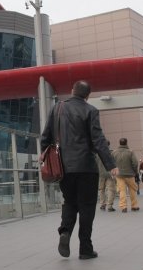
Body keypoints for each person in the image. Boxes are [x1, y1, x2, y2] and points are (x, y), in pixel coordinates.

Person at [41, 80, 117, 260]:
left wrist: (43, 153)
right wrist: (111, 164)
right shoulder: (91, 111)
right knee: (87, 206)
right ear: (87, 96)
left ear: (72, 90)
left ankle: (65, 231)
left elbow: (46, 135)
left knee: (70, 202)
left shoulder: (57, 108)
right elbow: (98, 140)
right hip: (86, 167)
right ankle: (85, 249)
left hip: (64, 167)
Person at [113, 138, 140, 213]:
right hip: (130, 174)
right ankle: (134, 206)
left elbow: (111, 163)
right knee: (132, 190)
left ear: (119, 143)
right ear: (126, 143)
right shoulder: (130, 152)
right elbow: (135, 163)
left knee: (122, 190)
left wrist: (114, 172)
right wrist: (135, 172)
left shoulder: (114, 152)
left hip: (119, 175)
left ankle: (123, 207)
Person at [97, 141, 116, 212]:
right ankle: (110, 206)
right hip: (110, 174)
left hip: (100, 174)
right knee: (111, 189)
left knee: (101, 189)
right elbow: (115, 163)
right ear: (109, 145)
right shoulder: (112, 153)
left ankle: (102, 204)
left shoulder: (97, 153)